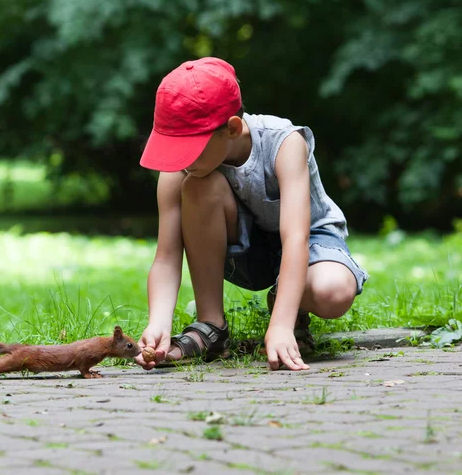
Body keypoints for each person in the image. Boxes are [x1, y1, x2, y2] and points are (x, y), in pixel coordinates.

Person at [134, 57, 368, 371]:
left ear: (231, 128)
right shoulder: (183, 170)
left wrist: (282, 324)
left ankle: (289, 307)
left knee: (333, 292)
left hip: (310, 242)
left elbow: (295, 237)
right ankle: (211, 327)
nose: (181, 160)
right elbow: (166, 257)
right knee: (198, 186)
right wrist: (158, 323)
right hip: (246, 252)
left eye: (189, 147)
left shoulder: (284, 143)